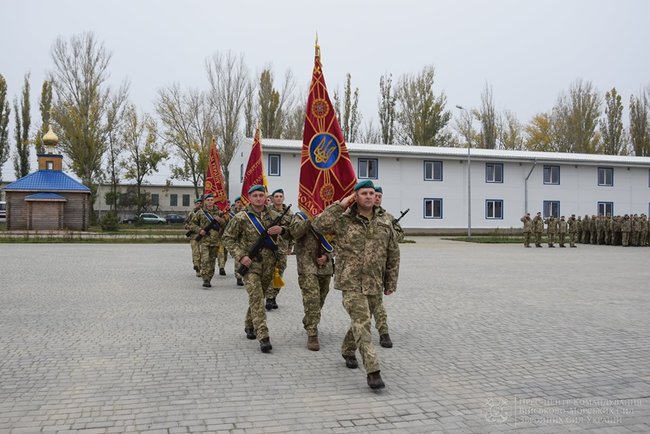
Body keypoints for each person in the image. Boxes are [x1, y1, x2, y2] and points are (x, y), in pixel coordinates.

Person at [313, 180, 400, 390]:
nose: (369, 196)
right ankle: (373, 370)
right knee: (362, 321)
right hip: (350, 282)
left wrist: (390, 281)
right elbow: (318, 225)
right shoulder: (343, 220)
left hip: (374, 282)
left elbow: (393, 253)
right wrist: (340, 205)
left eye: (371, 193)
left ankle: (347, 349)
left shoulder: (386, 220)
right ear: (356, 197)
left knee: (362, 321)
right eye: (363, 193)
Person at [222, 185, 287, 353]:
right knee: (257, 297)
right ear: (249, 198)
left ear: (266, 197)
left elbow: (292, 231)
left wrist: (283, 229)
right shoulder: (241, 217)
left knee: (258, 297)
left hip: (269, 266)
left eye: (261, 195)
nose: (258, 198)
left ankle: (249, 324)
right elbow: (227, 238)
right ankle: (263, 336)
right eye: (255, 195)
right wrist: (241, 256)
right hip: (250, 265)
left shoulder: (275, 215)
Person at [289, 210, 334, 351]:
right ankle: (312, 333)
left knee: (321, 298)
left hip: (325, 267)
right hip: (306, 265)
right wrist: (311, 219)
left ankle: (309, 319)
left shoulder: (331, 217)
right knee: (312, 300)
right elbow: (295, 233)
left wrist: (327, 256)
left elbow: (338, 240)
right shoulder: (299, 216)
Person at [369, 185, 400, 348]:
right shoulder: (356, 217)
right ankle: (354, 341)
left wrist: (391, 282)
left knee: (377, 304)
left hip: (378, 271)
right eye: (375, 195)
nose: (377, 198)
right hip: (358, 273)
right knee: (361, 310)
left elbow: (398, 240)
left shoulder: (388, 218)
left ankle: (383, 332)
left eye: (379, 195)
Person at [189, 194, 226, 288]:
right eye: (208, 200)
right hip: (204, 241)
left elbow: (225, 225)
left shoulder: (219, 212)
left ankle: (209, 277)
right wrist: (199, 230)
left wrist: (220, 220)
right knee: (205, 260)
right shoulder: (201, 213)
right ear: (205, 201)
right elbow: (192, 224)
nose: (210, 201)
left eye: (211, 199)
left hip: (215, 241)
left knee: (212, 261)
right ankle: (205, 279)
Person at [265, 188, 293, 310]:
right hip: (268, 246)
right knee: (268, 271)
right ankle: (269, 297)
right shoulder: (267, 211)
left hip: (282, 246)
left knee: (279, 272)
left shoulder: (290, 214)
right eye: (276, 196)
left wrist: (290, 247)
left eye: (280, 196)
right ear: (272, 198)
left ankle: (274, 295)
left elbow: (292, 231)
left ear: (283, 198)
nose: (278, 198)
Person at [184, 196, 203, 277]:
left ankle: (201, 267)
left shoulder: (204, 213)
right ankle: (197, 268)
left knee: (202, 253)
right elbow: (185, 224)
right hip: (193, 236)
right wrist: (191, 228)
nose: (199, 205)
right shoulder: (191, 214)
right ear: (195, 204)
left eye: (200, 203)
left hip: (202, 236)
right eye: (197, 203)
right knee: (196, 253)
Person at [229, 196, 245, 286]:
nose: (239, 204)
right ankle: (238, 277)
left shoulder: (246, 213)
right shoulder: (231, 214)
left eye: (241, 202)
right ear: (235, 204)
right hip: (236, 239)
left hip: (246, 239)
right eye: (238, 202)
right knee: (239, 258)